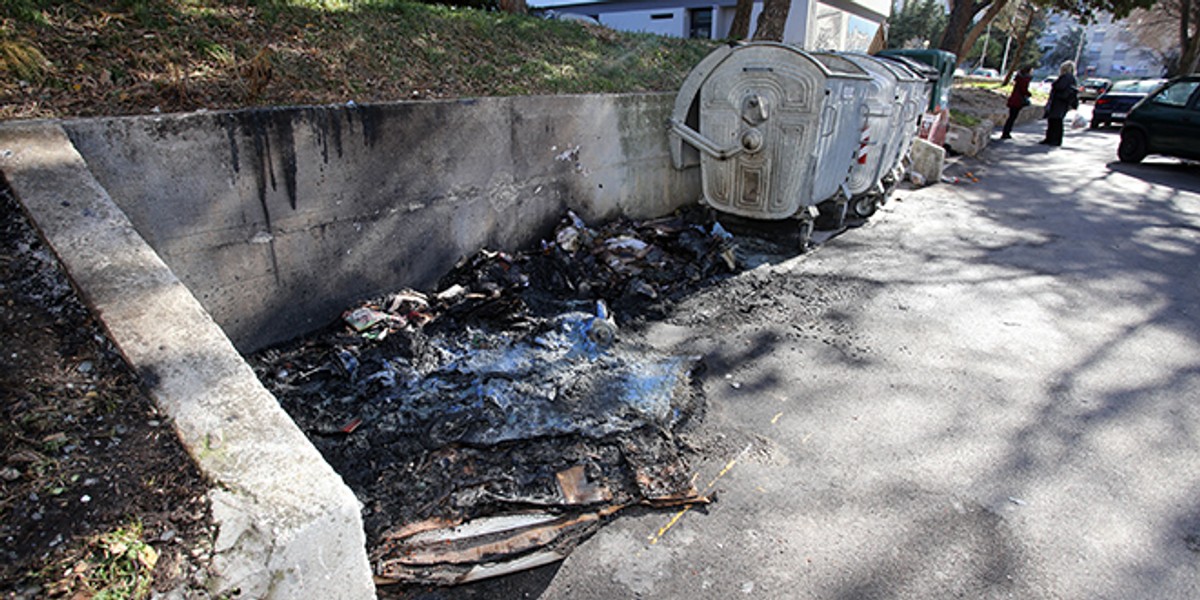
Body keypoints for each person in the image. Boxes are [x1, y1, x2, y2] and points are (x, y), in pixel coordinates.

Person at [1041, 60, 1079, 147]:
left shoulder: (1066, 77)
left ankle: (1054, 139)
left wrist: (1054, 84)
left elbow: (1059, 87)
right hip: (1062, 102)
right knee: (1054, 121)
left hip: (1059, 102)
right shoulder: (1071, 78)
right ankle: (1051, 139)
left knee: (1056, 121)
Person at [1000, 65, 1033, 139]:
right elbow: (1023, 90)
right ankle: (1006, 133)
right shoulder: (1025, 79)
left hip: (1014, 99)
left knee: (1011, 117)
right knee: (1012, 117)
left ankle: (1006, 132)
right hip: (1018, 100)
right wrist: (1029, 94)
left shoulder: (1019, 78)